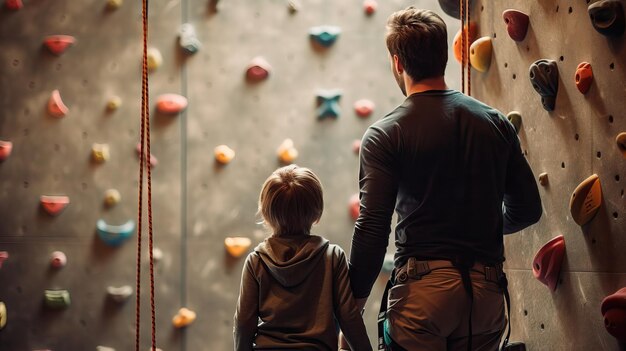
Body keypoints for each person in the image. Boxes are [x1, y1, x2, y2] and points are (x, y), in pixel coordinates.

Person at [343, 7, 543, 351]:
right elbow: (527, 209)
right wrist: (483, 225)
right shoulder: (495, 122)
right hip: (485, 297)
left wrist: (354, 303)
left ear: (397, 63)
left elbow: (373, 228)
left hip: (422, 297)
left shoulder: (386, 134)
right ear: (443, 57)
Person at [234, 165, 373, 351]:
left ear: (266, 214)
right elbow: (349, 317)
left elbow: (244, 323)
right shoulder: (332, 257)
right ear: (317, 213)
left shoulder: (256, 261)